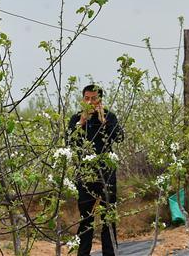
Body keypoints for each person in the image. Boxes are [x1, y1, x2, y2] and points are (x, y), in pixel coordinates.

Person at [66, 84, 124, 256]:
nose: (90, 102)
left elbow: (119, 137)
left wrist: (104, 121)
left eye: (94, 99)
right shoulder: (76, 118)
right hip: (85, 174)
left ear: (100, 100)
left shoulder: (109, 116)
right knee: (86, 217)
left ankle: (110, 253)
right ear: (82, 100)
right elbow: (69, 142)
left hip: (106, 173)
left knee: (109, 217)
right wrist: (81, 123)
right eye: (87, 98)